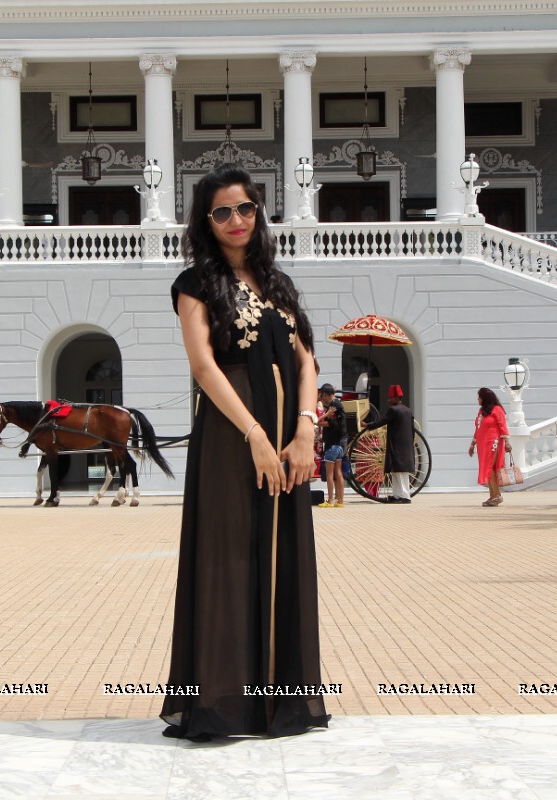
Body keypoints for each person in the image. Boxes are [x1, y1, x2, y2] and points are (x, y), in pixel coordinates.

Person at [162, 163, 330, 741]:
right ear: (206, 223)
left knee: (284, 557)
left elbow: (307, 362)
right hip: (233, 442)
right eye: (223, 211)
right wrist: (255, 435)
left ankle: (281, 705)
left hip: (291, 442)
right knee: (230, 562)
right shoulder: (195, 284)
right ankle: (224, 707)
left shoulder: (277, 283)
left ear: (259, 213)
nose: (237, 220)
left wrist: (304, 430)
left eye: (246, 208)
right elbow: (204, 366)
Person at [364, 385, 416, 503]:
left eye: (391, 398)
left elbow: (383, 421)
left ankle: (405, 496)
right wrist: (410, 441)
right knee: (397, 470)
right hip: (406, 444)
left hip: (397, 444)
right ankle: (397, 495)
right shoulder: (408, 410)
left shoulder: (393, 410)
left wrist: (369, 426)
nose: (389, 400)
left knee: (400, 471)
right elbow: (412, 429)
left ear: (397, 398)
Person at [468, 387, 510, 507]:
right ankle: (493, 495)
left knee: (490, 467)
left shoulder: (497, 410)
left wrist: (507, 442)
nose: (478, 399)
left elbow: (503, 426)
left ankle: (497, 495)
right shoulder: (482, 412)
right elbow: (478, 429)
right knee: (487, 468)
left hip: (493, 442)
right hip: (482, 445)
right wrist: (472, 445)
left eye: (479, 397)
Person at [316, 383, 347, 508]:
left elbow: (318, 421)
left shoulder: (333, 406)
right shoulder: (340, 407)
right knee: (338, 472)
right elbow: (325, 424)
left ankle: (330, 500)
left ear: (327, 394)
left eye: (322, 395)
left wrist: (326, 414)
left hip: (332, 446)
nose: (322, 398)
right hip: (340, 445)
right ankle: (340, 500)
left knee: (330, 474)